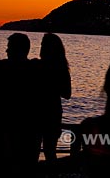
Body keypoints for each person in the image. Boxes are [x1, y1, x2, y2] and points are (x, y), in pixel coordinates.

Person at [0, 33, 41, 177]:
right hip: (30, 127)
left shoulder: (0, 68)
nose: (6, 51)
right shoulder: (36, 69)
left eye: (9, 48)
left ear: (17, 50)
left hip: (9, 126)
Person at [36, 33, 72, 165]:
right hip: (53, 112)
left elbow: (67, 94)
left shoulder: (38, 66)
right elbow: (67, 94)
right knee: (49, 150)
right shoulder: (62, 69)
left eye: (42, 45)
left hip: (42, 112)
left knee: (41, 150)